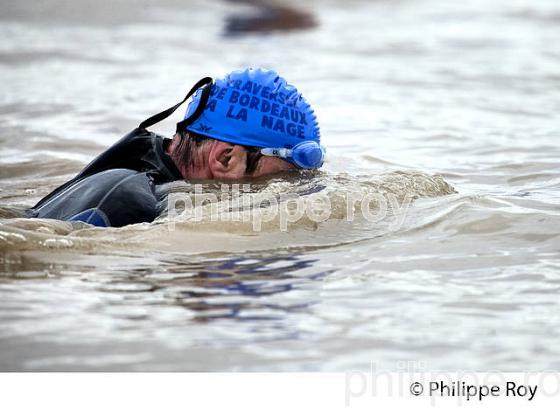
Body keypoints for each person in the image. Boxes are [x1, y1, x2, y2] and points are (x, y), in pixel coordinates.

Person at [28, 67, 325, 228]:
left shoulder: (144, 172)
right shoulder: (129, 203)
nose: (284, 190)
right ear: (226, 158)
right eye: (280, 179)